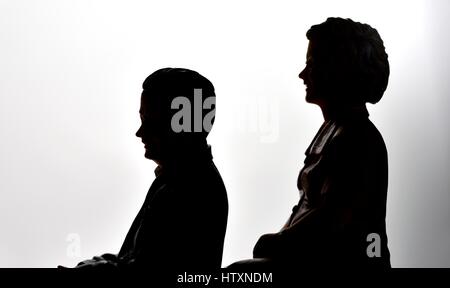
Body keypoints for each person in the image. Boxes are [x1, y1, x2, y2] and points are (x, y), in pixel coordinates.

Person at [231, 17, 391, 270]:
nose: (303, 74)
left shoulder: (358, 139)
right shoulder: (332, 130)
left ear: (340, 69)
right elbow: (305, 209)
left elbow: (332, 220)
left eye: (313, 64)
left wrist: (276, 242)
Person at [66, 68, 228, 272]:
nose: (139, 132)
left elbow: (146, 273)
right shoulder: (183, 181)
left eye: (150, 121)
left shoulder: (186, 191)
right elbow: (138, 257)